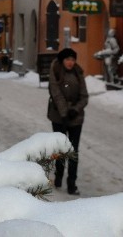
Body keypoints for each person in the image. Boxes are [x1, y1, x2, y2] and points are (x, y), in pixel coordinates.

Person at [47, 47, 88, 195]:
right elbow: (56, 93)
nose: (70, 62)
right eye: (67, 59)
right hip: (58, 116)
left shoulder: (78, 72)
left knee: (73, 151)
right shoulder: (56, 70)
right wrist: (64, 113)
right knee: (60, 149)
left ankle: (72, 183)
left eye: (73, 59)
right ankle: (58, 177)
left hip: (76, 118)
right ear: (62, 60)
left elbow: (84, 96)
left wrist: (74, 110)